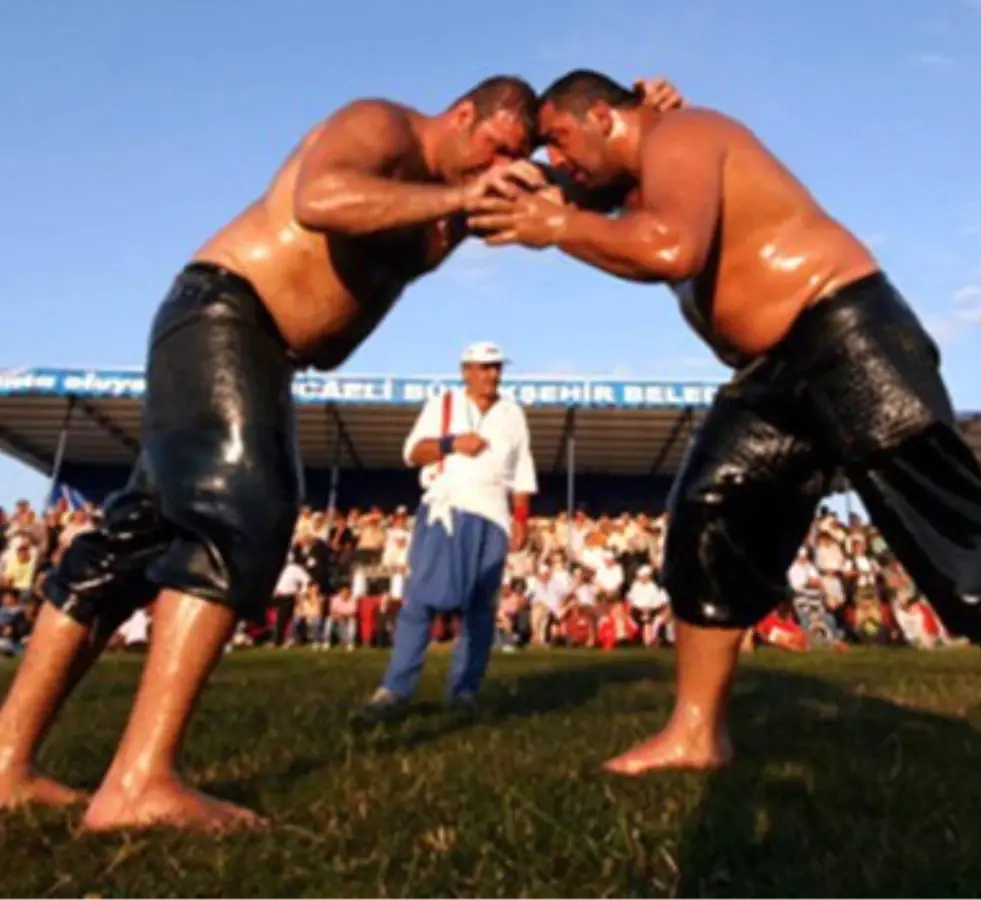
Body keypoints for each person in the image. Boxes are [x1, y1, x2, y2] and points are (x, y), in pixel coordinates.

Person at [0, 74, 681, 834]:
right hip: (227, 312)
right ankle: (138, 781)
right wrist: (459, 197)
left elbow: (576, 192)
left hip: (248, 342)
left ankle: (5, 766)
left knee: (126, 543)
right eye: (500, 148)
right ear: (463, 116)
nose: (504, 167)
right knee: (241, 513)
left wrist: (639, 124)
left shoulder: (458, 190)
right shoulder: (382, 128)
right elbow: (319, 199)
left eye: (520, 156)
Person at [467, 70, 981, 799]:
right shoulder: (630, 175)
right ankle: (697, 732)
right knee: (709, 518)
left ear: (606, 115)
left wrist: (558, 225)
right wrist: (529, 196)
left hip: (848, 334)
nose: (558, 160)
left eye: (562, 140)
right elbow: (559, 197)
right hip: (774, 373)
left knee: (953, 527)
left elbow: (671, 248)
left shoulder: (683, 135)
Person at [362, 341, 536, 717]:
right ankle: (395, 689)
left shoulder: (512, 413)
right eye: (483, 367)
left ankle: (464, 691)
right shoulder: (442, 404)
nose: (491, 374)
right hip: (449, 505)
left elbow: (522, 469)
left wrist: (520, 518)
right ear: (466, 371)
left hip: (494, 516)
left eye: (496, 367)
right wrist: (451, 443)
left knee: (481, 607)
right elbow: (412, 452)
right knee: (422, 598)